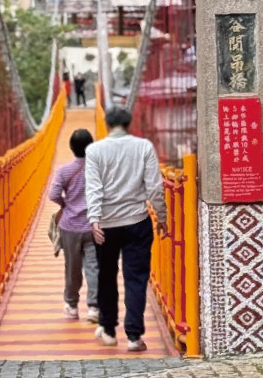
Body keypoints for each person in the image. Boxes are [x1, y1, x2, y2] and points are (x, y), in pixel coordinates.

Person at [84, 106, 166, 352]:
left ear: (107, 124)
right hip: (137, 222)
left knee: (106, 277)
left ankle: (109, 331)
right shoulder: (144, 147)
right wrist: (162, 216)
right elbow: (154, 186)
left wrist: (94, 219)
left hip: (106, 225)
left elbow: (94, 188)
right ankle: (134, 336)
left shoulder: (94, 150)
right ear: (129, 124)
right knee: (136, 278)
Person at [48, 128, 99, 322]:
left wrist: (66, 205)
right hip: (93, 225)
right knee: (94, 267)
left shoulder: (64, 171)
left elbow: (53, 194)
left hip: (70, 227)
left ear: (71, 147)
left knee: (72, 268)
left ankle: (71, 306)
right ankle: (94, 308)